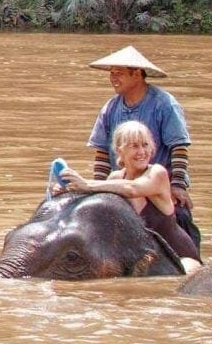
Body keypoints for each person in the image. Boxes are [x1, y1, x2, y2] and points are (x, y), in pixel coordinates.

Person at [85, 45, 200, 250]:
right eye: (111, 74)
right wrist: (100, 189)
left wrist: (177, 186)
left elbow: (179, 147)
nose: (113, 78)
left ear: (136, 74)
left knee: (179, 227)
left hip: (158, 190)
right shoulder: (110, 108)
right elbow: (102, 154)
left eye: (118, 73)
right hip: (122, 186)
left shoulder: (164, 104)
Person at [61, 120, 201, 273]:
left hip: (179, 259)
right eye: (134, 146)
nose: (142, 152)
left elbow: (132, 189)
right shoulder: (115, 179)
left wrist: (86, 184)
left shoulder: (157, 173)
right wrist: (68, 190)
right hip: (142, 260)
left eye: (145, 145)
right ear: (120, 151)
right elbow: (94, 204)